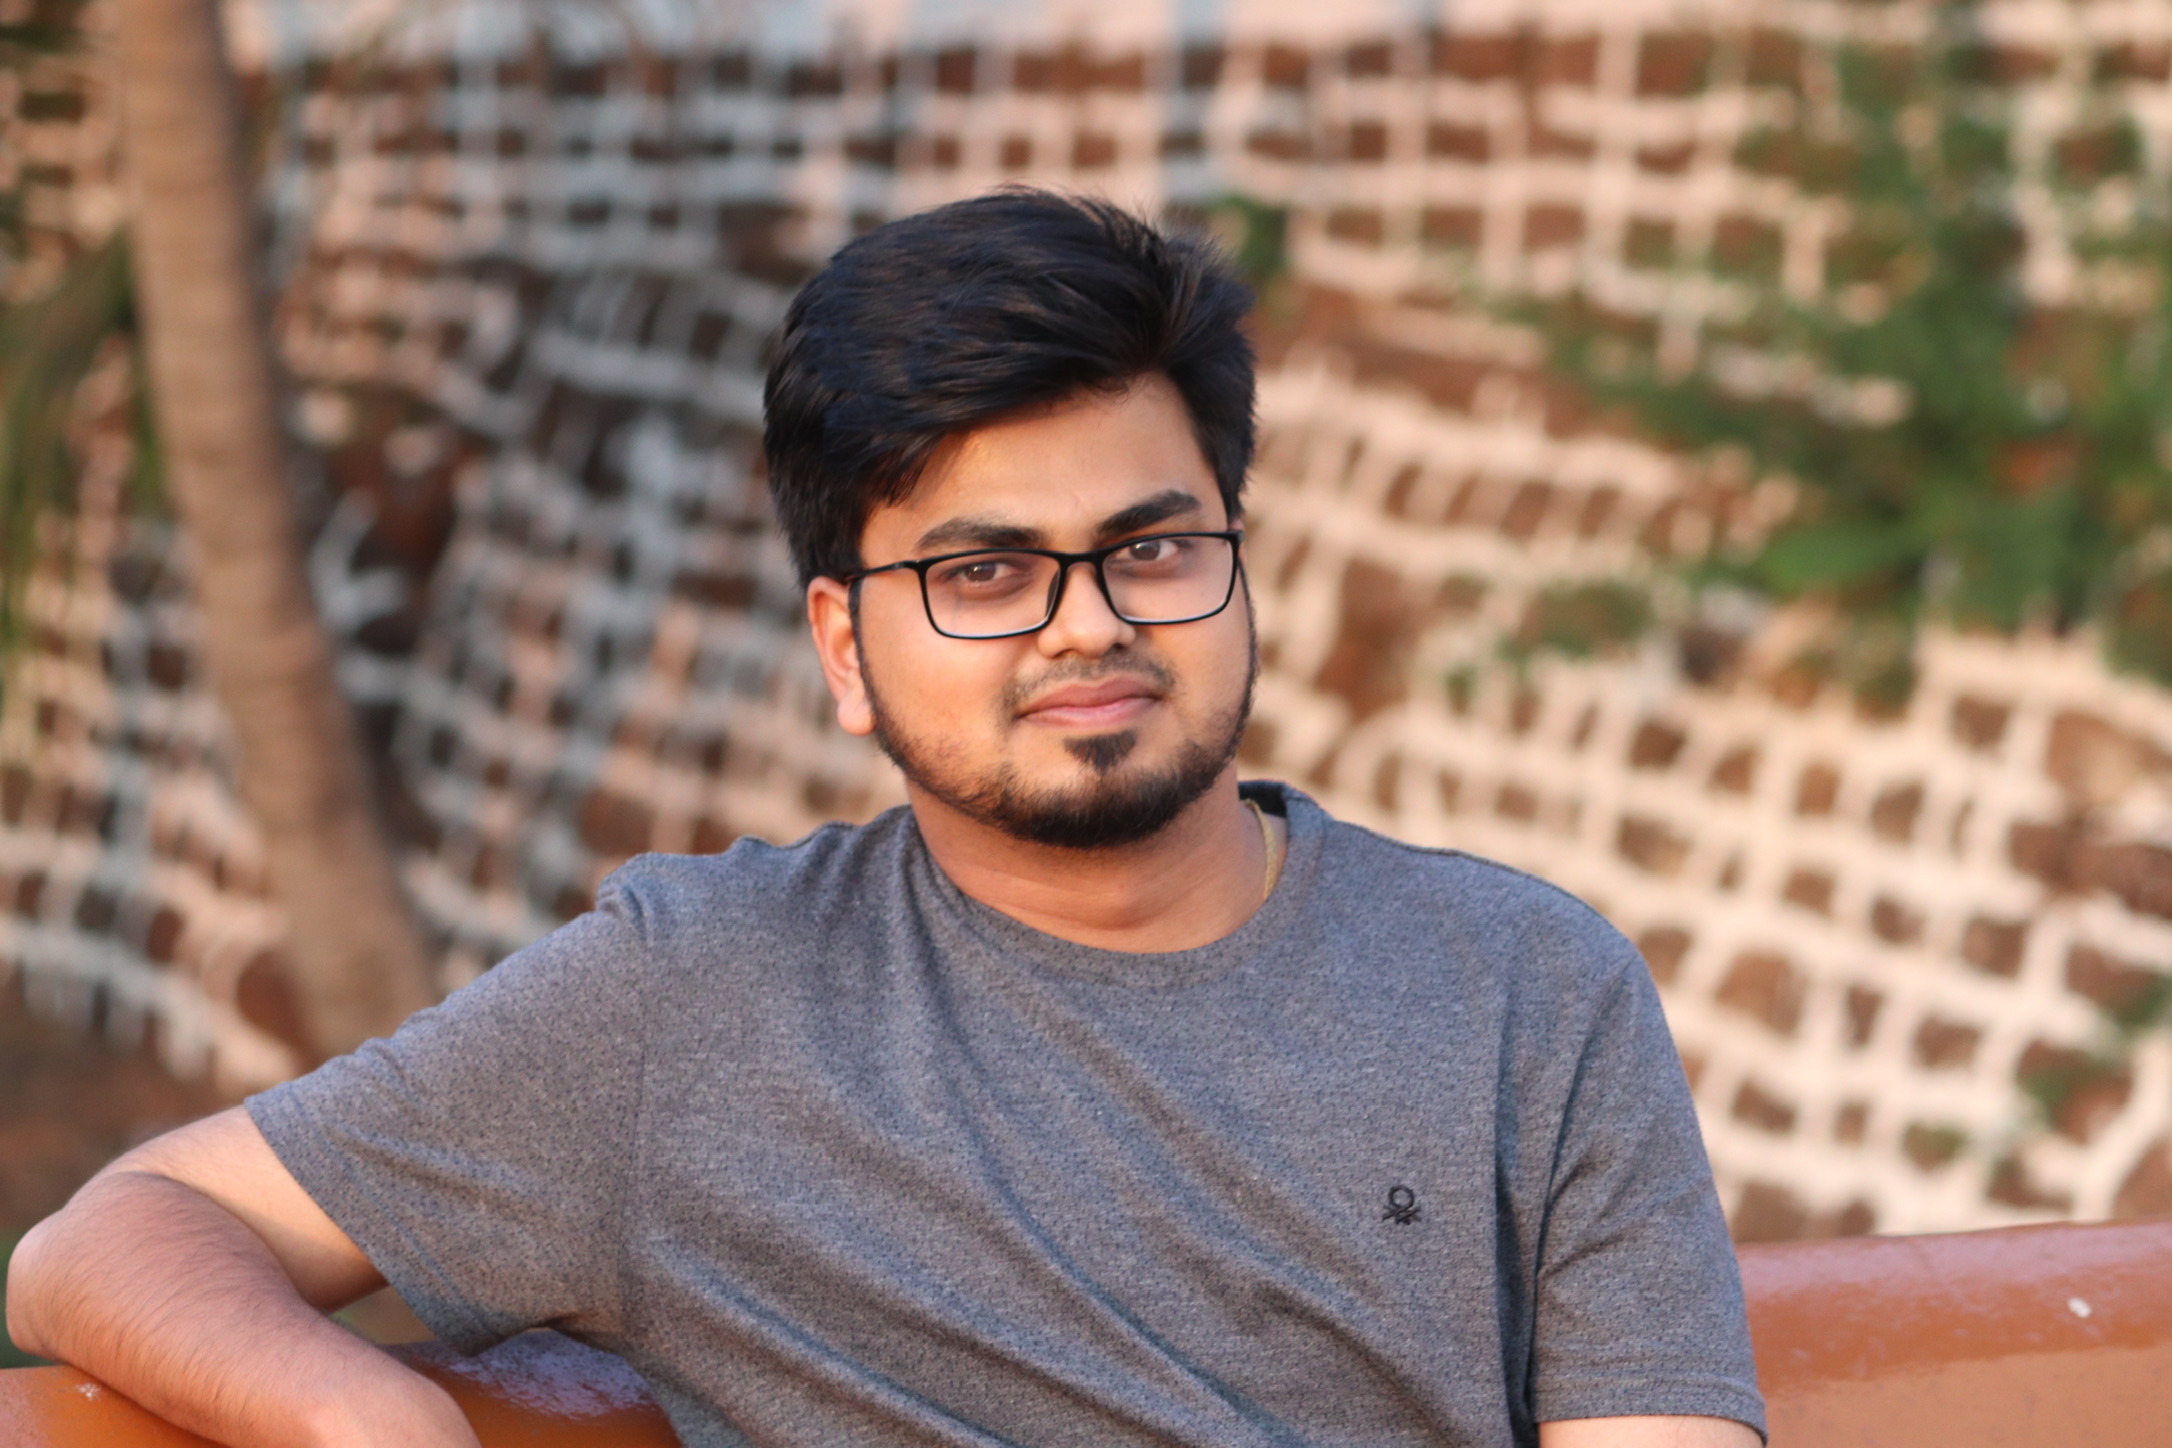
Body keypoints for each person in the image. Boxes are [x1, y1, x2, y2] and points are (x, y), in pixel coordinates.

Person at [6, 189, 1764, 1448]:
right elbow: (109, 1240)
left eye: (1153, 547)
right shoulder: (691, 1009)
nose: (1088, 625)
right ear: (846, 647)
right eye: (985, 573)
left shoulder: (1523, 988)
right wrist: (365, 1423)